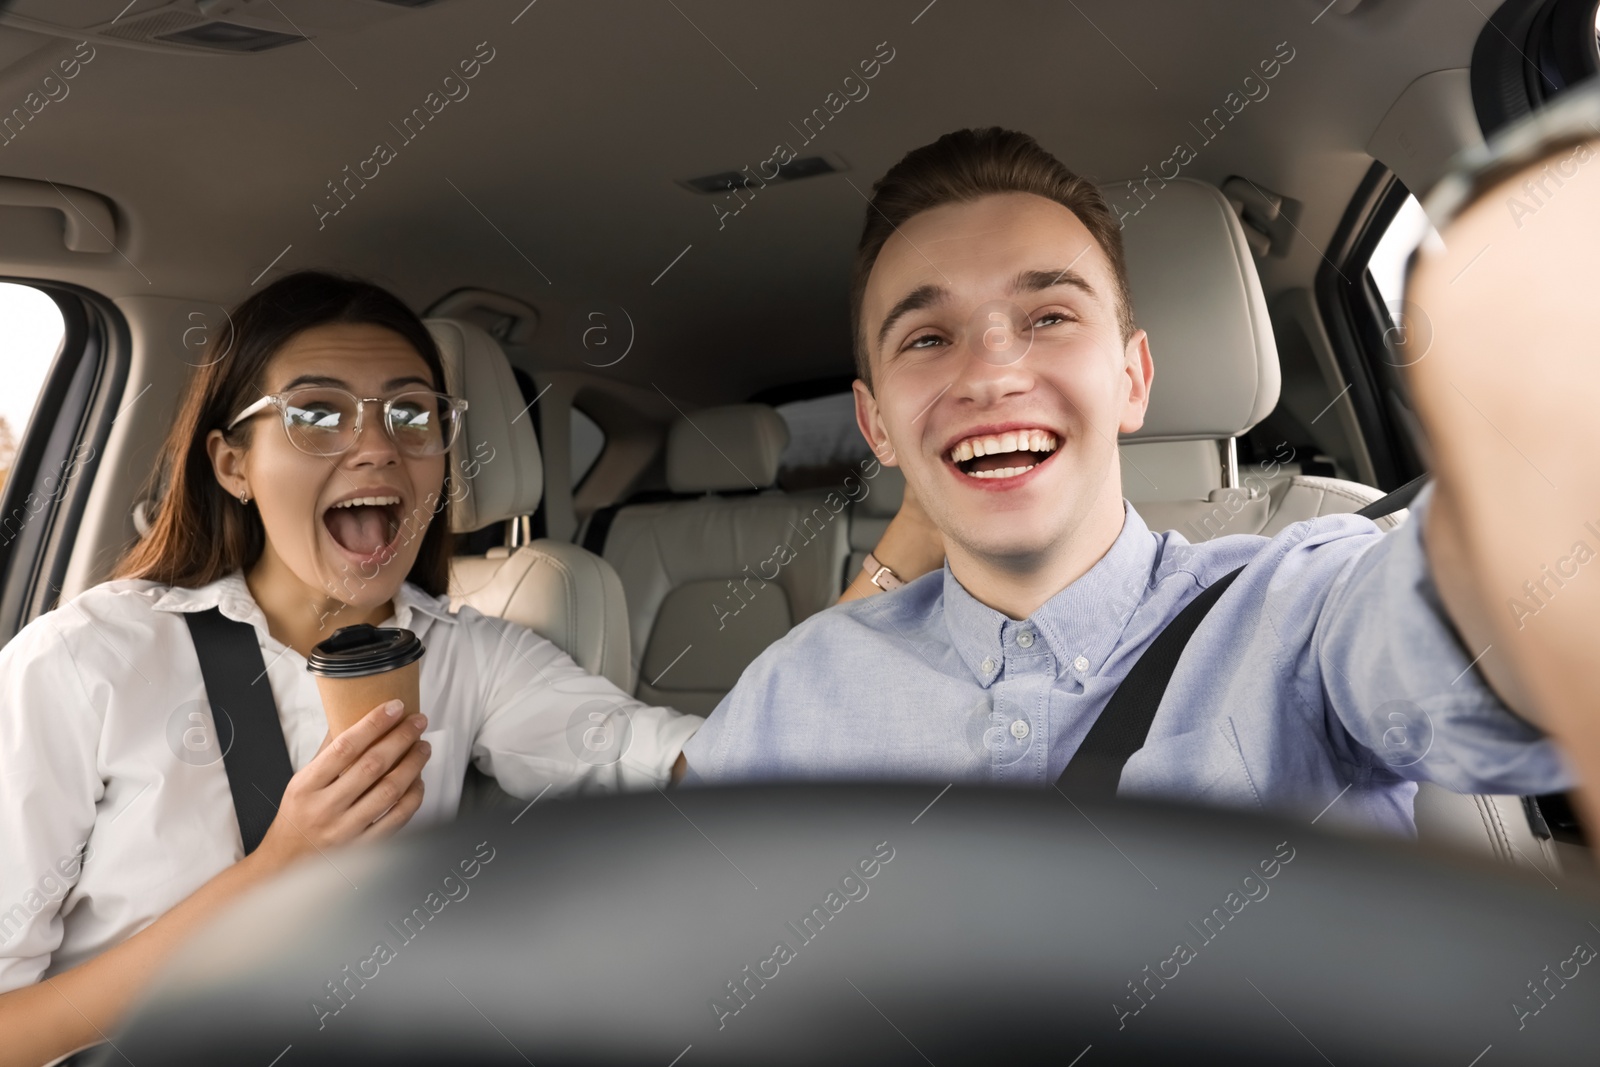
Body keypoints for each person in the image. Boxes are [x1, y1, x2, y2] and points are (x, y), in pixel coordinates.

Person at [680, 124, 1583, 832]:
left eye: (1048, 315)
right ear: (877, 423)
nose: (992, 373)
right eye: (927, 337)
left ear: (1133, 379)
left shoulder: (1300, 606)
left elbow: (1479, 639)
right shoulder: (795, 689)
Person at [0, 272, 700, 1066]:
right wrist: (278, 869)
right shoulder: (85, 659)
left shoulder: (471, 656)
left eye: (412, 414)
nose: (378, 446)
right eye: (316, 415)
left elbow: (682, 760)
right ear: (233, 465)